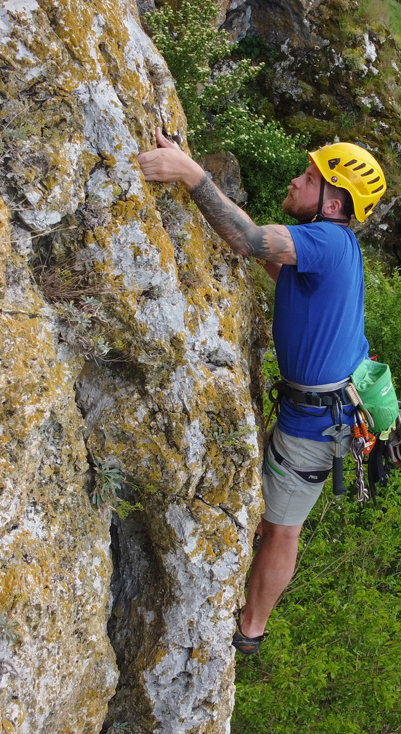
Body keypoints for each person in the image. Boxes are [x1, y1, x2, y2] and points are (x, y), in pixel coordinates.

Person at [135, 129, 387, 656]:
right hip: (320, 413)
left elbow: (249, 241)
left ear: (334, 200)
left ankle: (251, 629)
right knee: (275, 523)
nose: (297, 180)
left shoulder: (327, 240)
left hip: (316, 425)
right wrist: (198, 186)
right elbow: (269, 259)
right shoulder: (328, 248)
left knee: (282, 530)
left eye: (311, 177)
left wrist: (190, 175)